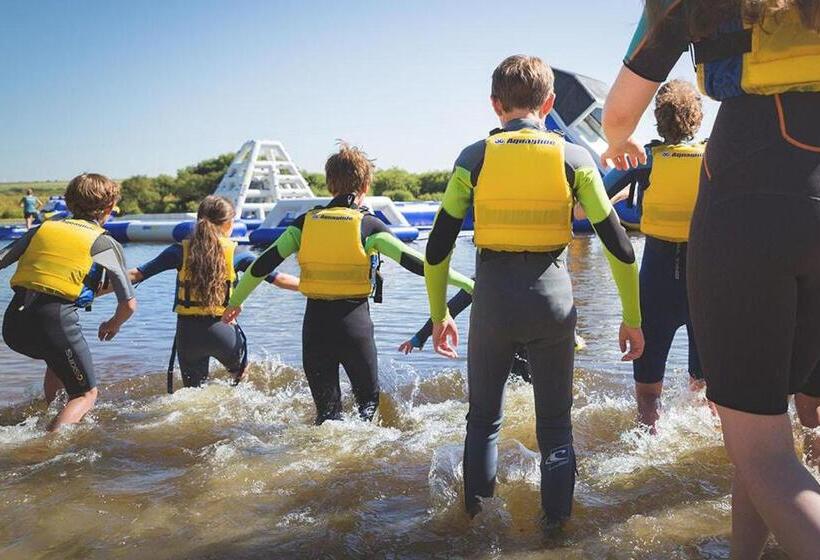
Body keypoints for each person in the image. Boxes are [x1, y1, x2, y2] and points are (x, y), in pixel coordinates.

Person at [602, 1, 820, 557]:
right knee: (765, 432)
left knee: (763, 451)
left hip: (753, 179)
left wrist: (619, 140)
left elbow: (620, 113)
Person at [424, 55, 644, 526]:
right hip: (553, 301)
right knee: (556, 427)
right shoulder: (574, 157)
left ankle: (476, 528)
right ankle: (556, 533)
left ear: (494, 105)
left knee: (483, 422)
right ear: (549, 102)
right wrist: (632, 318)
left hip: (493, 303)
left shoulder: (473, 157)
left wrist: (440, 313)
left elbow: (437, 249)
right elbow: (620, 248)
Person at [223, 144, 473, 424]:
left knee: (326, 417)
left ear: (330, 185)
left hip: (315, 328)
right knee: (368, 411)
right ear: (366, 185)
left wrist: (235, 302)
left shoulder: (304, 224)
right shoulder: (368, 226)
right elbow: (422, 265)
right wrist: (470, 284)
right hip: (355, 328)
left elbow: (261, 265)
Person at [606, 80, 707, 430]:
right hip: (705, 285)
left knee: (649, 396)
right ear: (697, 118)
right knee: (706, 392)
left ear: (657, 119)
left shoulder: (644, 160)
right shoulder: (715, 159)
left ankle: (646, 444)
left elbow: (584, 207)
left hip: (654, 284)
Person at [0, 174, 136, 430]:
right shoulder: (104, 242)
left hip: (13, 325)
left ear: (69, 203)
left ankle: (52, 416)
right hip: (55, 322)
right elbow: (128, 304)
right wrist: (113, 324)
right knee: (86, 395)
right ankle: (44, 448)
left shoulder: (42, 229)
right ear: (108, 208)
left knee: (58, 362)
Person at [129, 196, 299, 388]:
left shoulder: (179, 251)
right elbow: (279, 279)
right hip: (223, 330)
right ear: (229, 224)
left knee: (193, 394)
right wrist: (315, 286)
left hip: (188, 334)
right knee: (241, 378)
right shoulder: (238, 253)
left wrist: (95, 287)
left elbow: (136, 274)